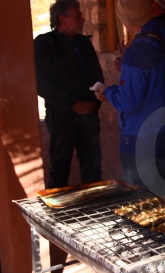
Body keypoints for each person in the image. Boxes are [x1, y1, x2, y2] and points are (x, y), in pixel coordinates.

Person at [95, 0, 165, 196]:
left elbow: (128, 101)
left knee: (141, 200)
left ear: (126, 20)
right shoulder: (162, 39)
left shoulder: (138, 50)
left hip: (141, 138)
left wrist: (108, 93)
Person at [34, 0, 104, 188]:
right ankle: (57, 212)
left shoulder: (84, 44)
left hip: (89, 116)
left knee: (92, 166)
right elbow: (40, 83)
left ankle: (94, 208)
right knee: (60, 166)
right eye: (77, 16)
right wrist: (71, 104)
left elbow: (97, 76)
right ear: (62, 19)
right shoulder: (44, 44)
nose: (82, 19)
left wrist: (95, 102)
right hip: (61, 116)